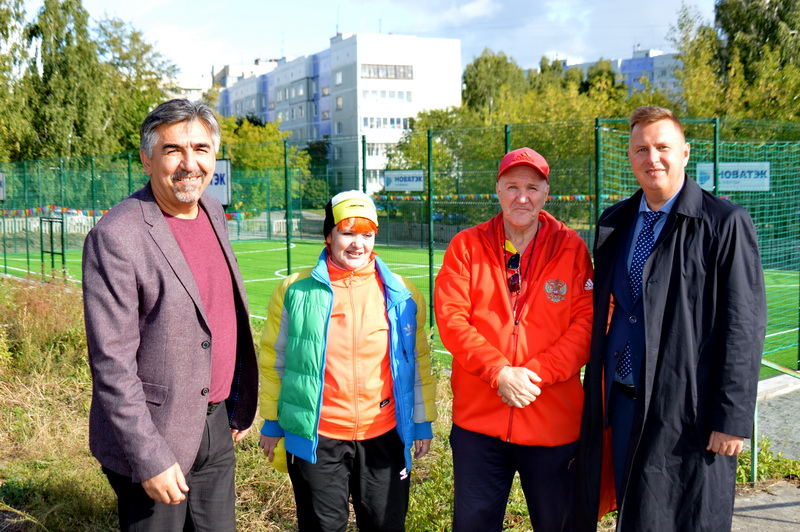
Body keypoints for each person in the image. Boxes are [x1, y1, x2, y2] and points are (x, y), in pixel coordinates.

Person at [574, 106, 767, 531]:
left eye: (663, 146)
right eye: (641, 148)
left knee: (686, 518)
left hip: (689, 414)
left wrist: (731, 418)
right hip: (623, 402)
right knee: (633, 517)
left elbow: (744, 327)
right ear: (630, 157)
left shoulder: (724, 222)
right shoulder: (616, 222)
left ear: (685, 152)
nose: (652, 158)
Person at [82, 99, 259, 531]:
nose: (189, 163)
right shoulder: (117, 236)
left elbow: (218, 314)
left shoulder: (213, 210)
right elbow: (112, 364)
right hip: (155, 435)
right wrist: (151, 458)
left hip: (216, 426)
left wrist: (234, 402)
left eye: (200, 148)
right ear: (147, 159)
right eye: (172, 150)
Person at [435, 147, 594, 532]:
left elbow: (587, 324)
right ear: (497, 190)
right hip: (479, 427)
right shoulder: (466, 246)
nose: (522, 197)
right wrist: (499, 373)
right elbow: (452, 319)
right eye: (512, 187)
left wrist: (532, 376)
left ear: (546, 193)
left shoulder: (572, 247)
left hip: (553, 423)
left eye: (532, 188)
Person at [258, 190, 437, 532]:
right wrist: (272, 421)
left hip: (384, 434)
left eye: (367, 235)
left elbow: (417, 364)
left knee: (385, 525)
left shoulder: (404, 293)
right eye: (348, 232)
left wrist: (422, 422)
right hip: (318, 436)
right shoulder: (294, 291)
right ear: (329, 235)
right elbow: (275, 360)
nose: (358, 244)